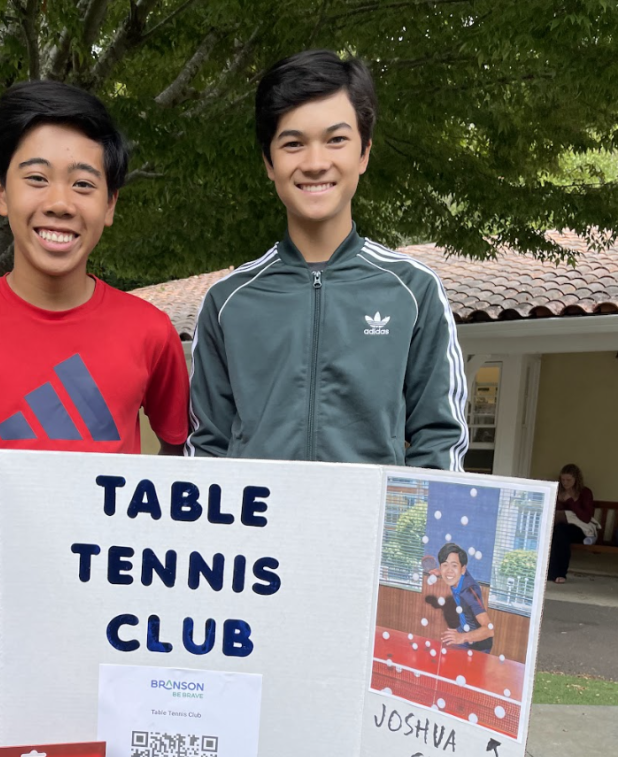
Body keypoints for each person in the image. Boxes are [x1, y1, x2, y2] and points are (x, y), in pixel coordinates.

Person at [186, 49, 468, 468]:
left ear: (364, 153)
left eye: (336, 140)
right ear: (269, 161)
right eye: (293, 144)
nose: (316, 163)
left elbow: (440, 439)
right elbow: (206, 446)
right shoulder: (228, 301)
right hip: (259, 530)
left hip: (369, 530)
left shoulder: (412, 290)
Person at [0, 81, 189, 456]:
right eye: (37, 179)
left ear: (110, 204)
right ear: (0, 191)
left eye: (82, 184)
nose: (60, 203)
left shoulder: (152, 333)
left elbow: (181, 459)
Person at [434, 542, 493, 653]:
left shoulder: (469, 592)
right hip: (464, 633)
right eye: (445, 565)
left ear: (462, 569)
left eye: (454, 565)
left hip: (478, 644)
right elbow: (450, 569)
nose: (449, 570)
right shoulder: (455, 576)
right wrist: (439, 572)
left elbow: (489, 630)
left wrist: (462, 637)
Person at [549, 463, 595, 583]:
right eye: (563, 479)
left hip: (579, 529)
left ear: (576, 479)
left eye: (569, 480)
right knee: (558, 532)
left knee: (561, 532)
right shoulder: (559, 491)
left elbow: (586, 518)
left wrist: (570, 501)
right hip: (561, 528)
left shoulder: (585, 492)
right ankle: (553, 573)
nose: (565, 483)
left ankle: (560, 573)